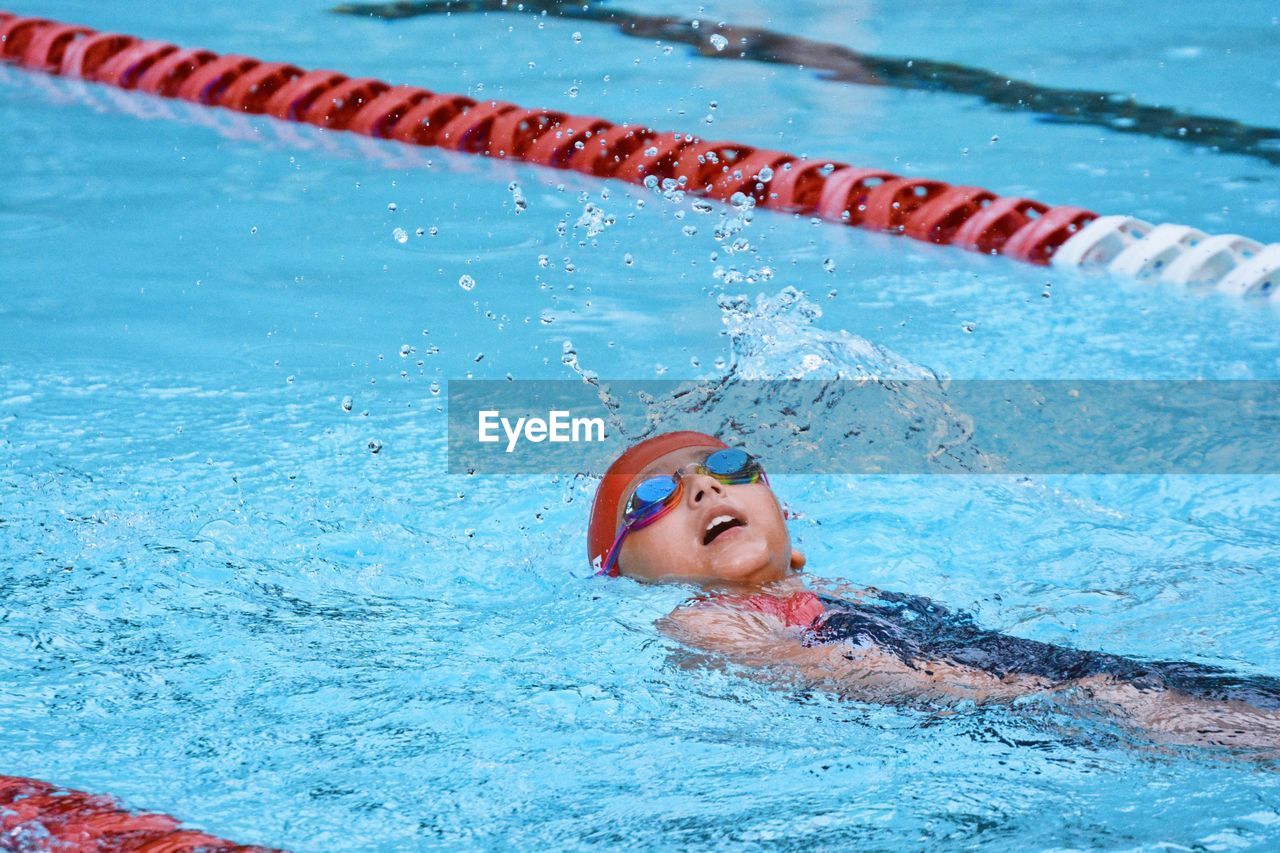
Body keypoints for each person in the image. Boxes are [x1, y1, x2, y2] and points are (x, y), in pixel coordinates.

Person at [588, 431, 1280, 753]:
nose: (704, 487)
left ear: (793, 541)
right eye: (652, 497)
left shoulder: (835, 590)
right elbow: (827, 672)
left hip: (1040, 674)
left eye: (731, 466)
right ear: (628, 574)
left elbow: (983, 630)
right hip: (1015, 706)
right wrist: (1042, 693)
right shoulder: (705, 620)